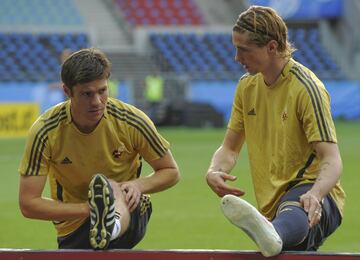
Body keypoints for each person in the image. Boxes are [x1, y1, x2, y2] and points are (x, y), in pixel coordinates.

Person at [206, 5, 345, 257]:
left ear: (271, 47)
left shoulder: (306, 88)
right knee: (288, 246)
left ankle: (273, 233)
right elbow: (229, 147)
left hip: (316, 194)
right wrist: (216, 170)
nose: (237, 57)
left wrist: (316, 193)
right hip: (274, 208)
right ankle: (273, 232)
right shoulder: (246, 87)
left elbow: (332, 159)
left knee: (294, 211)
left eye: (243, 49)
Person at [18, 48, 180, 250]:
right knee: (106, 192)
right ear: (67, 91)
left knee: (111, 187)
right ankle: (105, 224)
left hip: (130, 212)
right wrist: (89, 210)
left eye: (102, 91)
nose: (96, 102)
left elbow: (171, 171)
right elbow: (28, 203)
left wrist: (138, 185)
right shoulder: (45, 131)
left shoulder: (132, 121)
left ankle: (111, 226)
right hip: (74, 226)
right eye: (87, 94)